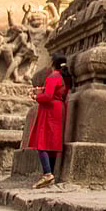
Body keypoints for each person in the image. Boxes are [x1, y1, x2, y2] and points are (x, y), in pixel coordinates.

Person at [29, 53, 72, 188]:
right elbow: (58, 91)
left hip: (50, 109)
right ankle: (50, 174)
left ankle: (47, 173)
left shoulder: (53, 76)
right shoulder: (64, 77)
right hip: (60, 109)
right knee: (52, 143)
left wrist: (36, 97)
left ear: (53, 62)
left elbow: (48, 96)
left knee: (42, 141)